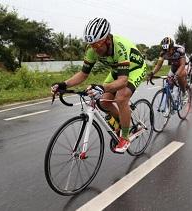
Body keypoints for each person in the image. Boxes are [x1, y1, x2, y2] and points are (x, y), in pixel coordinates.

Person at [51, 17, 148, 153]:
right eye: (91, 45)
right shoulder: (92, 49)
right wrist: (64, 84)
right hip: (117, 70)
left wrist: (102, 87)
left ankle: (125, 137)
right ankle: (121, 122)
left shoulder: (119, 47)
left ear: (107, 39)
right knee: (103, 102)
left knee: (121, 96)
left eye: (97, 45)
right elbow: (83, 74)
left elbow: (123, 81)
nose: (94, 49)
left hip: (135, 69)